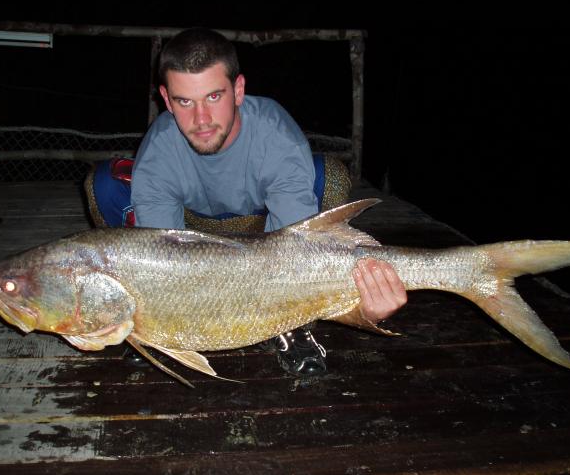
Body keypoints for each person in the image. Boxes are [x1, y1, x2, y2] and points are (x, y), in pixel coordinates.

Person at [92, 27, 407, 376]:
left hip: (267, 229)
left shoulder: (275, 134)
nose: (201, 119)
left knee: (328, 176)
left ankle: (292, 326)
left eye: (214, 97)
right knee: (104, 185)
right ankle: (156, 329)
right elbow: (168, 260)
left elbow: (296, 254)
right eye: (185, 101)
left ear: (238, 90)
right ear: (166, 100)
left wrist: (358, 307)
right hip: (192, 229)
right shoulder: (159, 150)